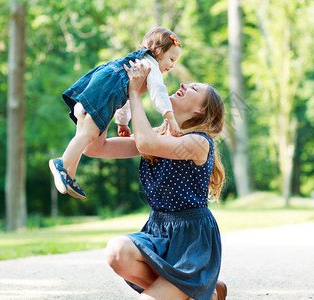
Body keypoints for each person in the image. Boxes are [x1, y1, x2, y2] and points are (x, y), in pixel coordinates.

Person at [83, 59, 227, 300]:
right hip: (158, 231)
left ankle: (197, 290)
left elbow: (146, 142)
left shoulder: (199, 143)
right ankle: (204, 293)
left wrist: (135, 93)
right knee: (116, 251)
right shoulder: (157, 137)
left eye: (194, 88)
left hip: (192, 243)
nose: (183, 84)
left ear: (200, 110)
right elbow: (95, 148)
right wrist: (111, 99)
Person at [49, 27, 182, 199]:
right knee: (89, 134)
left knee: (82, 134)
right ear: (157, 52)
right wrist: (170, 118)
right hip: (104, 93)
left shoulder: (137, 63)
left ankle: (70, 176)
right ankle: (61, 164)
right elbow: (159, 92)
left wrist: (122, 122)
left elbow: (124, 93)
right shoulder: (151, 66)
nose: (172, 65)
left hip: (96, 87)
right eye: (171, 59)